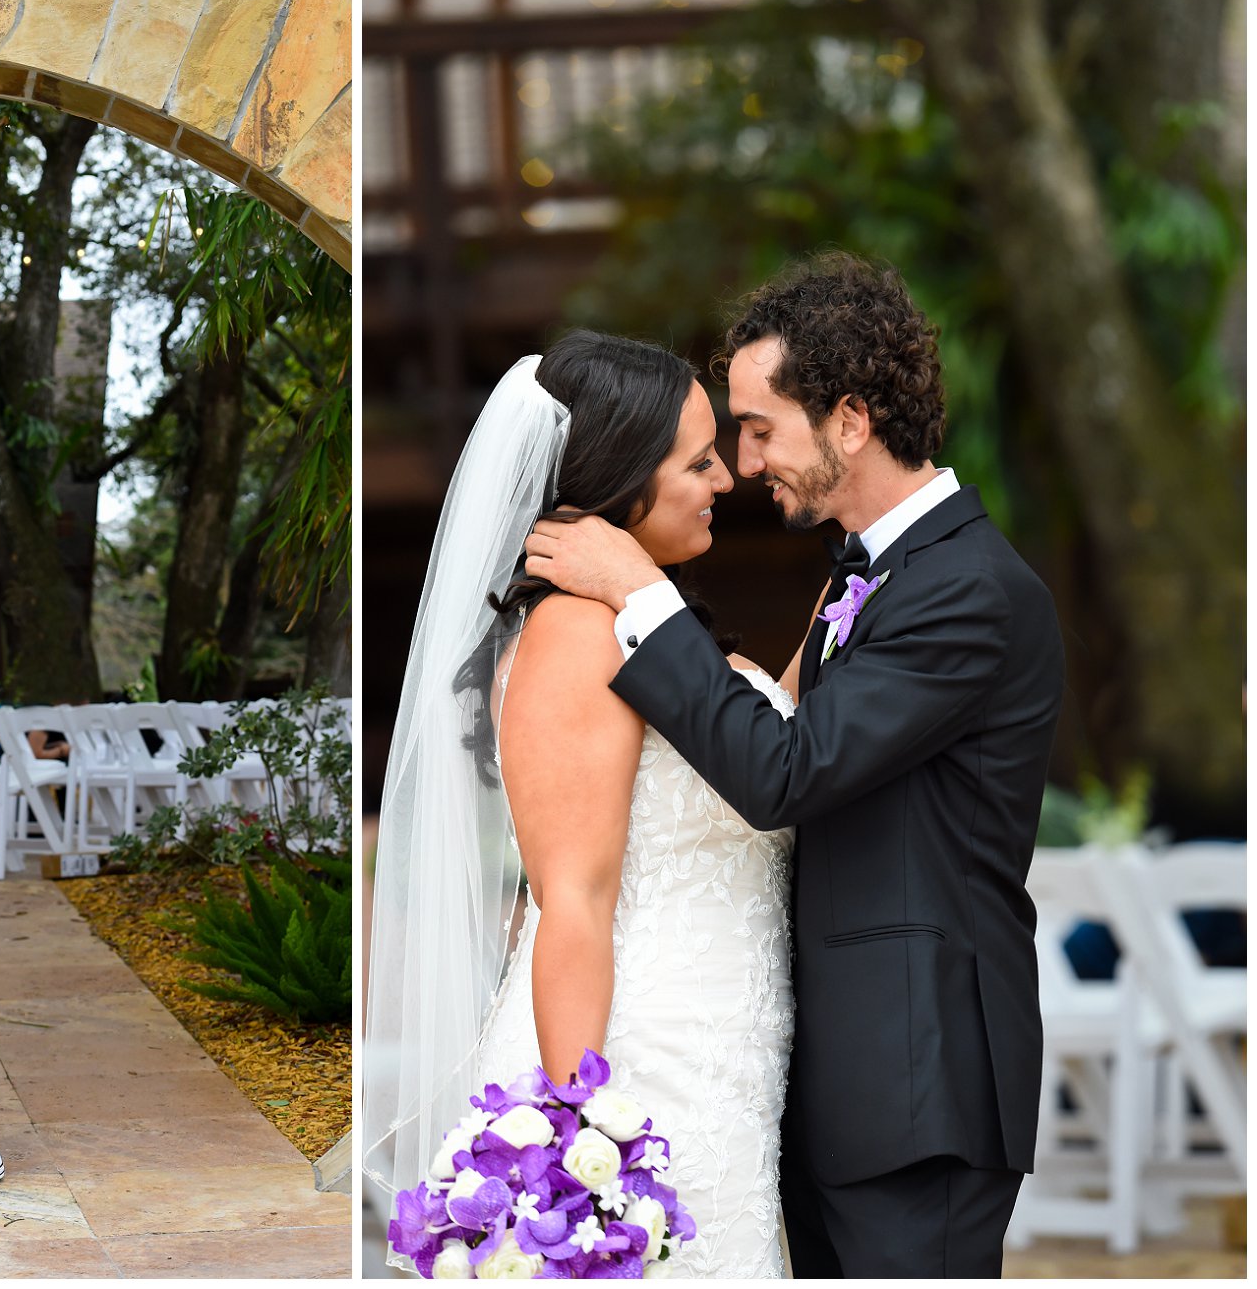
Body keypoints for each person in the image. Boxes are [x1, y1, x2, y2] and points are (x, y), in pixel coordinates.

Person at [525, 253, 1064, 1278]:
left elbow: (784, 768)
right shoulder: (865, 577)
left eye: (760, 427)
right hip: (819, 1088)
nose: (744, 458)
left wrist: (640, 591)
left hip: (918, 1092)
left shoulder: (968, 590)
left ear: (850, 420)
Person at [364, 333, 806, 1277]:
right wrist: (572, 1154)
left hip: (724, 1057)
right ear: (618, 479)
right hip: (639, 1069)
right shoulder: (576, 633)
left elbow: (777, 749)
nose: (725, 477)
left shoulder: (643, 622)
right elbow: (571, 898)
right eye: (697, 460)